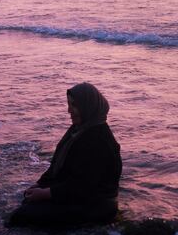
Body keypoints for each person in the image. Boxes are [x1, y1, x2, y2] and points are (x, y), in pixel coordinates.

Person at [8, 82, 122, 227]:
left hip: (96, 205)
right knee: (27, 201)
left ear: (88, 106)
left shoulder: (99, 140)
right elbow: (57, 166)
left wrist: (45, 193)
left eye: (74, 105)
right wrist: (39, 185)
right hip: (78, 197)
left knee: (20, 216)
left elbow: (83, 185)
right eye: (68, 104)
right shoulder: (78, 130)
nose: (69, 110)